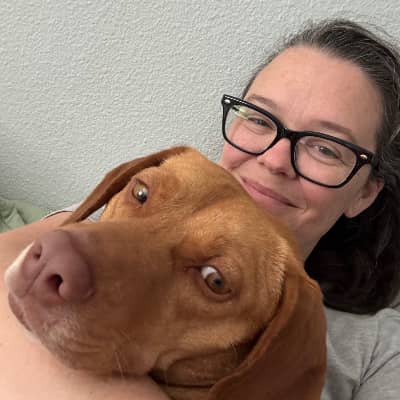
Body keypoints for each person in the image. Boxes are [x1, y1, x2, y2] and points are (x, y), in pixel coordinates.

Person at [1, 18, 400, 400]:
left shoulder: (381, 351)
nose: (274, 158)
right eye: (260, 119)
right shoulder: (142, 201)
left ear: (365, 193)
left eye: (326, 148)